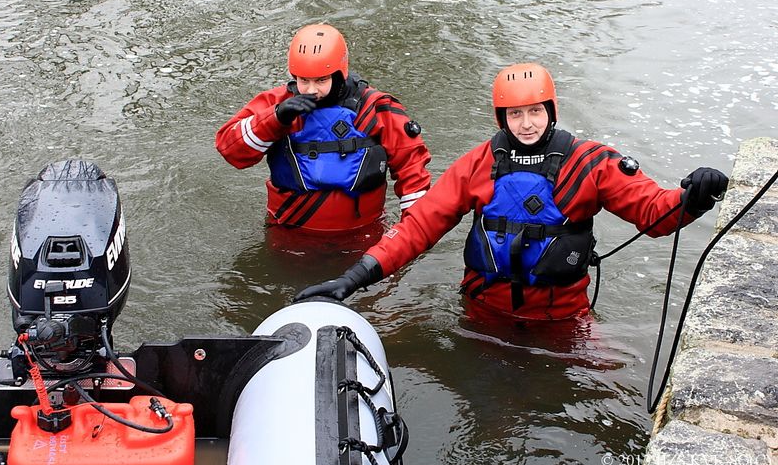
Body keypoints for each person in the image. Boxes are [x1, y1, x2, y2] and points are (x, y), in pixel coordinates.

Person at [294, 62, 729, 321]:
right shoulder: (479, 163)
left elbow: (654, 214)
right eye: (515, 113)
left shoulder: (590, 163)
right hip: (482, 314)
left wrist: (693, 197)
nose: (526, 124)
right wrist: (354, 278)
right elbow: (419, 227)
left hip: (562, 319)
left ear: (551, 111)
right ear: (501, 117)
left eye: (535, 111)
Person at [215, 24, 431, 232]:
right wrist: (275, 118)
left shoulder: (376, 109)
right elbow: (230, 150)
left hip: (363, 234)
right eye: (303, 80)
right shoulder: (277, 103)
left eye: (321, 80)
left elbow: (412, 171)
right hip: (289, 234)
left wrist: (412, 234)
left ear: (339, 74)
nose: (311, 90)